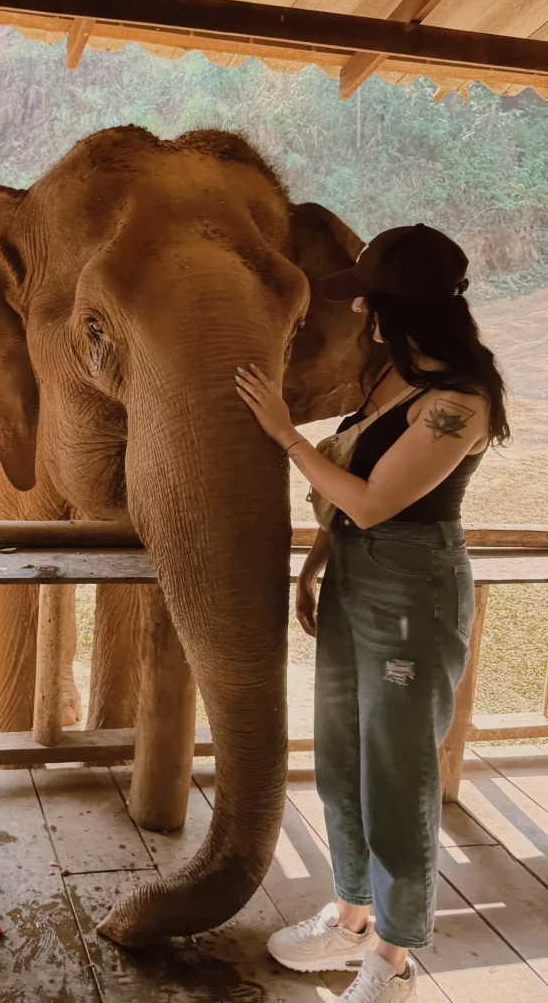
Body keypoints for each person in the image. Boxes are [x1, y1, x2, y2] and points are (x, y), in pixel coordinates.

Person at [235, 223, 509, 1003]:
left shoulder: (461, 400)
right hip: (357, 574)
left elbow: (375, 498)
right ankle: (351, 916)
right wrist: (317, 565)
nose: (362, 316)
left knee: (397, 772)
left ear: (403, 308)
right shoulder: (394, 378)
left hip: (411, 594)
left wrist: (284, 432)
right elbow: (351, 494)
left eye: (371, 302)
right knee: (341, 756)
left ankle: (392, 959)